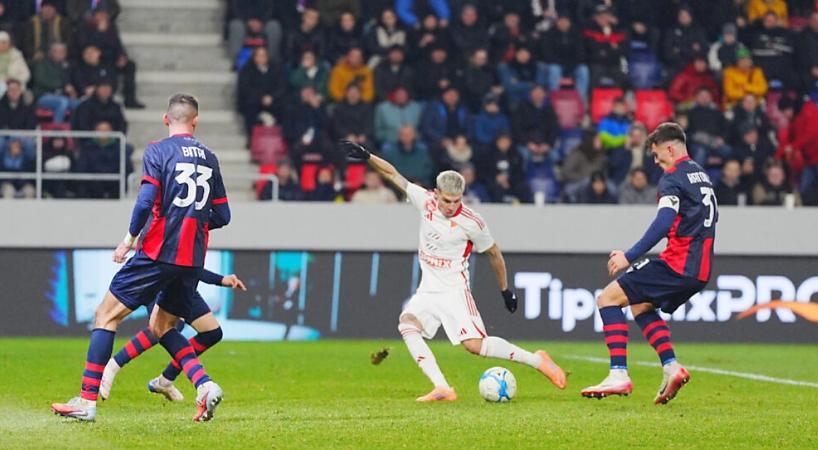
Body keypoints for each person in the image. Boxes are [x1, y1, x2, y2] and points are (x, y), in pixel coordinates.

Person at [339, 140, 567, 402]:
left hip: (454, 289)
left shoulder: (472, 222)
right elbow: (393, 175)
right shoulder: (424, 201)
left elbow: (494, 253)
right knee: (407, 325)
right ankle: (442, 387)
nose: (451, 206)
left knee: (475, 346)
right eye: (447, 200)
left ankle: (538, 360)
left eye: (456, 201)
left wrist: (505, 290)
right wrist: (368, 156)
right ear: (436, 193)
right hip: (428, 289)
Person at [50, 94, 230, 422]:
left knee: (105, 315)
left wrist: (128, 240)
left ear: (166, 120)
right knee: (162, 326)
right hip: (191, 259)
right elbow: (223, 215)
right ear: (196, 121)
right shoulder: (210, 157)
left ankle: (87, 400)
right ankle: (204, 385)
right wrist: (192, 219)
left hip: (158, 252)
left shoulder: (158, 150)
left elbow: (145, 201)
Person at [581, 122, 717, 405]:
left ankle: (618, 374)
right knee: (640, 305)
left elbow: (663, 222)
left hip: (678, 264)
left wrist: (628, 256)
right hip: (700, 270)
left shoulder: (673, 178)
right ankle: (671, 367)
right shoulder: (702, 175)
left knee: (607, 299)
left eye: (657, 155)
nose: (656, 162)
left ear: (670, 148)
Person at [99, 271, 247, 402]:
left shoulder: (197, 243)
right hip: (160, 282)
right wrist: (128, 241)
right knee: (161, 329)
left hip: (185, 285)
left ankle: (164, 381)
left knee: (212, 333)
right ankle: (113, 366)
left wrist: (221, 280)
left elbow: (193, 265)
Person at [237, 46, 285, 134]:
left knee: (285, 107)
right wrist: (261, 97)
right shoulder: (247, 70)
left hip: (273, 99)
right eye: (259, 55)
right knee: (250, 106)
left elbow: (281, 86)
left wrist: (272, 97)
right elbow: (245, 88)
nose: (261, 58)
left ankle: (279, 138)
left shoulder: (276, 69)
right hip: (255, 100)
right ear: (254, 57)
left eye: (264, 55)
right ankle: (252, 137)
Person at [32, 42, 80, 123]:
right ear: (51, 52)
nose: (59, 54)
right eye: (56, 51)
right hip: (44, 96)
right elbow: (41, 80)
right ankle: (57, 132)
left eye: (62, 51)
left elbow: (74, 80)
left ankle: (75, 130)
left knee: (81, 105)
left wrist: (73, 90)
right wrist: (63, 86)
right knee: (62, 102)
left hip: (63, 96)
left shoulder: (68, 65)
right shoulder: (43, 63)